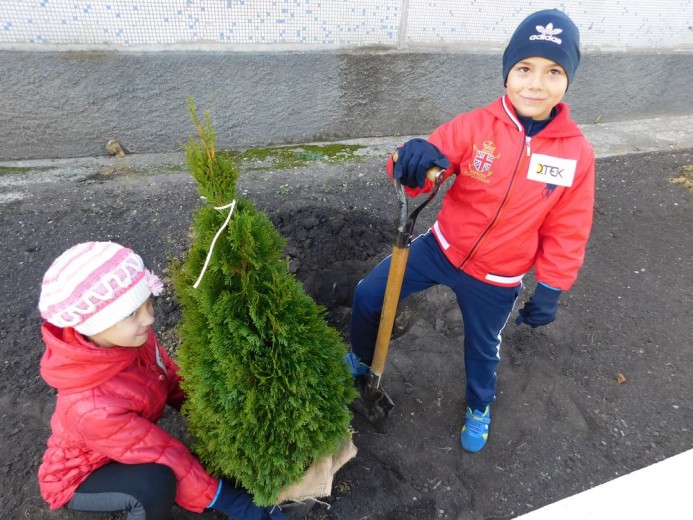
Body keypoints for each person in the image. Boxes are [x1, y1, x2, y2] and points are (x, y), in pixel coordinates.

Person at [345, 9, 594, 453]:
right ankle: (360, 360)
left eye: (553, 71)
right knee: (369, 294)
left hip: (497, 276)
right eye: (524, 68)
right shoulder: (476, 127)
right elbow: (424, 167)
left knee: (482, 350)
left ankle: (479, 405)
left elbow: (568, 227)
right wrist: (411, 160)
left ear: (568, 80)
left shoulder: (576, 154)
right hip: (441, 248)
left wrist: (553, 285)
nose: (536, 83)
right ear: (506, 74)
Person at [37, 241, 285, 520]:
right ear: (95, 325)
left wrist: (218, 411)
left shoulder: (132, 339)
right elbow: (163, 454)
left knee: (190, 463)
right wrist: (235, 503)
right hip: (83, 475)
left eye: (148, 303)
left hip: (121, 447)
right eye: (132, 313)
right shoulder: (92, 407)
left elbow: (168, 378)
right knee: (154, 484)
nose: (149, 318)